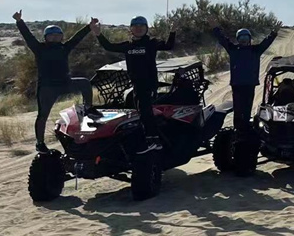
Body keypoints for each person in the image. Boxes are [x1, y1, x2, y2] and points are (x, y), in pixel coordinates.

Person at [13, 11, 101, 152]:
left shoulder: (64, 48)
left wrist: (89, 27)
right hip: (48, 88)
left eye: (58, 35)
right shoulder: (39, 48)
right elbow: (28, 36)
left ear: (61, 37)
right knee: (42, 115)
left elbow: (76, 38)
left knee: (84, 83)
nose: (55, 37)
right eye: (51, 35)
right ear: (46, 37)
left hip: (66, 83)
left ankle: (88, 108)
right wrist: (19, 21)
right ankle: (40, 143)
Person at [93, 16, 175, 154]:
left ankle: (153, 141)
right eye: (135, 26)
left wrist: (172, 31)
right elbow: (109, 46)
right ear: (131, 29)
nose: (138, 28)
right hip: (136, 84)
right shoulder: (128, 45)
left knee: (145, 110)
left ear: (146, 28)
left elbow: (169, 46)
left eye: (142, 26)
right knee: (139, 111)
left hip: (149, 83)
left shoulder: (151, 43)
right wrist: (98, 34)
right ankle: (146, 138)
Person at [211, 23, 279, 135]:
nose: (243, 40)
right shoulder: (233, 49)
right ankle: (237, 130)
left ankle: (245, 129)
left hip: (249, 84)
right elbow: (223, 40)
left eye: (245, 37)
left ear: (249, 39)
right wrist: (215, 29)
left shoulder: (255, 50)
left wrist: (273, 33)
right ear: (238, 39)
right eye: (241, 38)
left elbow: (266, 43)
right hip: (237, 84)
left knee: (247, 108)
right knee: (238, 108)